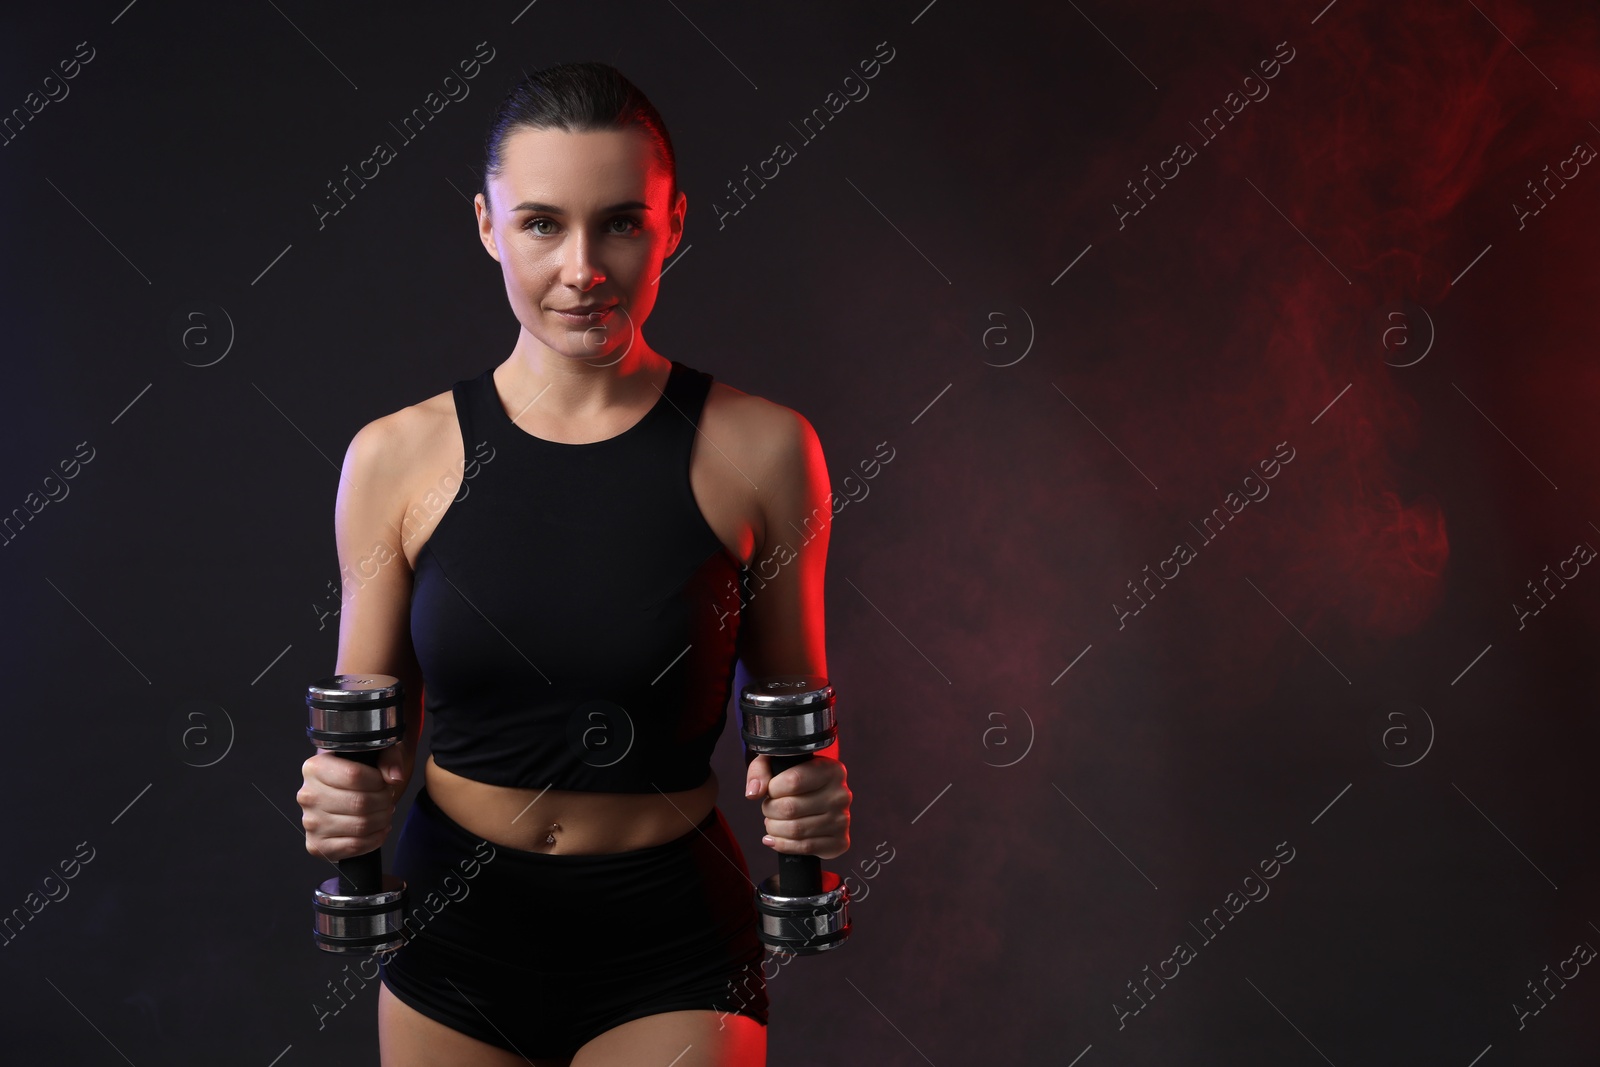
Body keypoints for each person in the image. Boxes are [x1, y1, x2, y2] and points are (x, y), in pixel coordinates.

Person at [296, 61, 851, 1066]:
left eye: (622, 223)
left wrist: (811, 792)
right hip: (457, 924)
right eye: (543, 224)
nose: (583, 268)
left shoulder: (766, 450)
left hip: (668, 933)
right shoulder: (393, 458)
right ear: (486, 226)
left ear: (674, 222)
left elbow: (796, 719)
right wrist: (345, 789)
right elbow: (368, 720)